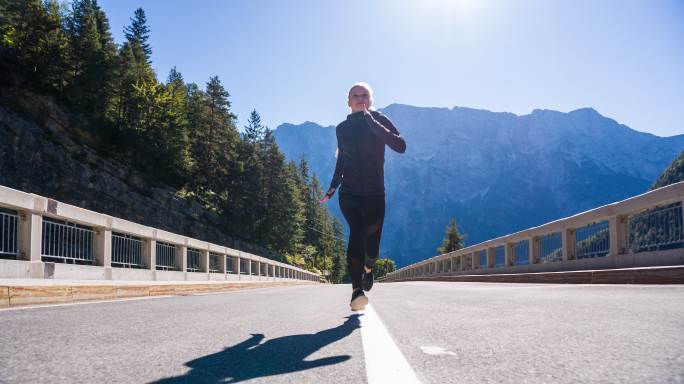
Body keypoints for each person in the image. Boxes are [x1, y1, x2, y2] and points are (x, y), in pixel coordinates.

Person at [320, 82, 406, 311]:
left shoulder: (380, 119)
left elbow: (400, 145)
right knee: (356, 234)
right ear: (348, 102)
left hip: (375, 194)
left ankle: (369, 268)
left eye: (364, 95)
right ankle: (356, 291)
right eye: (355, 96)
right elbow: (342, 158)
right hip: (350, 194)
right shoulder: (342, 129)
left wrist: (372, 122)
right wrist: (333, 187)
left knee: (372, 249)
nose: (360, 99)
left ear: (371, 99)